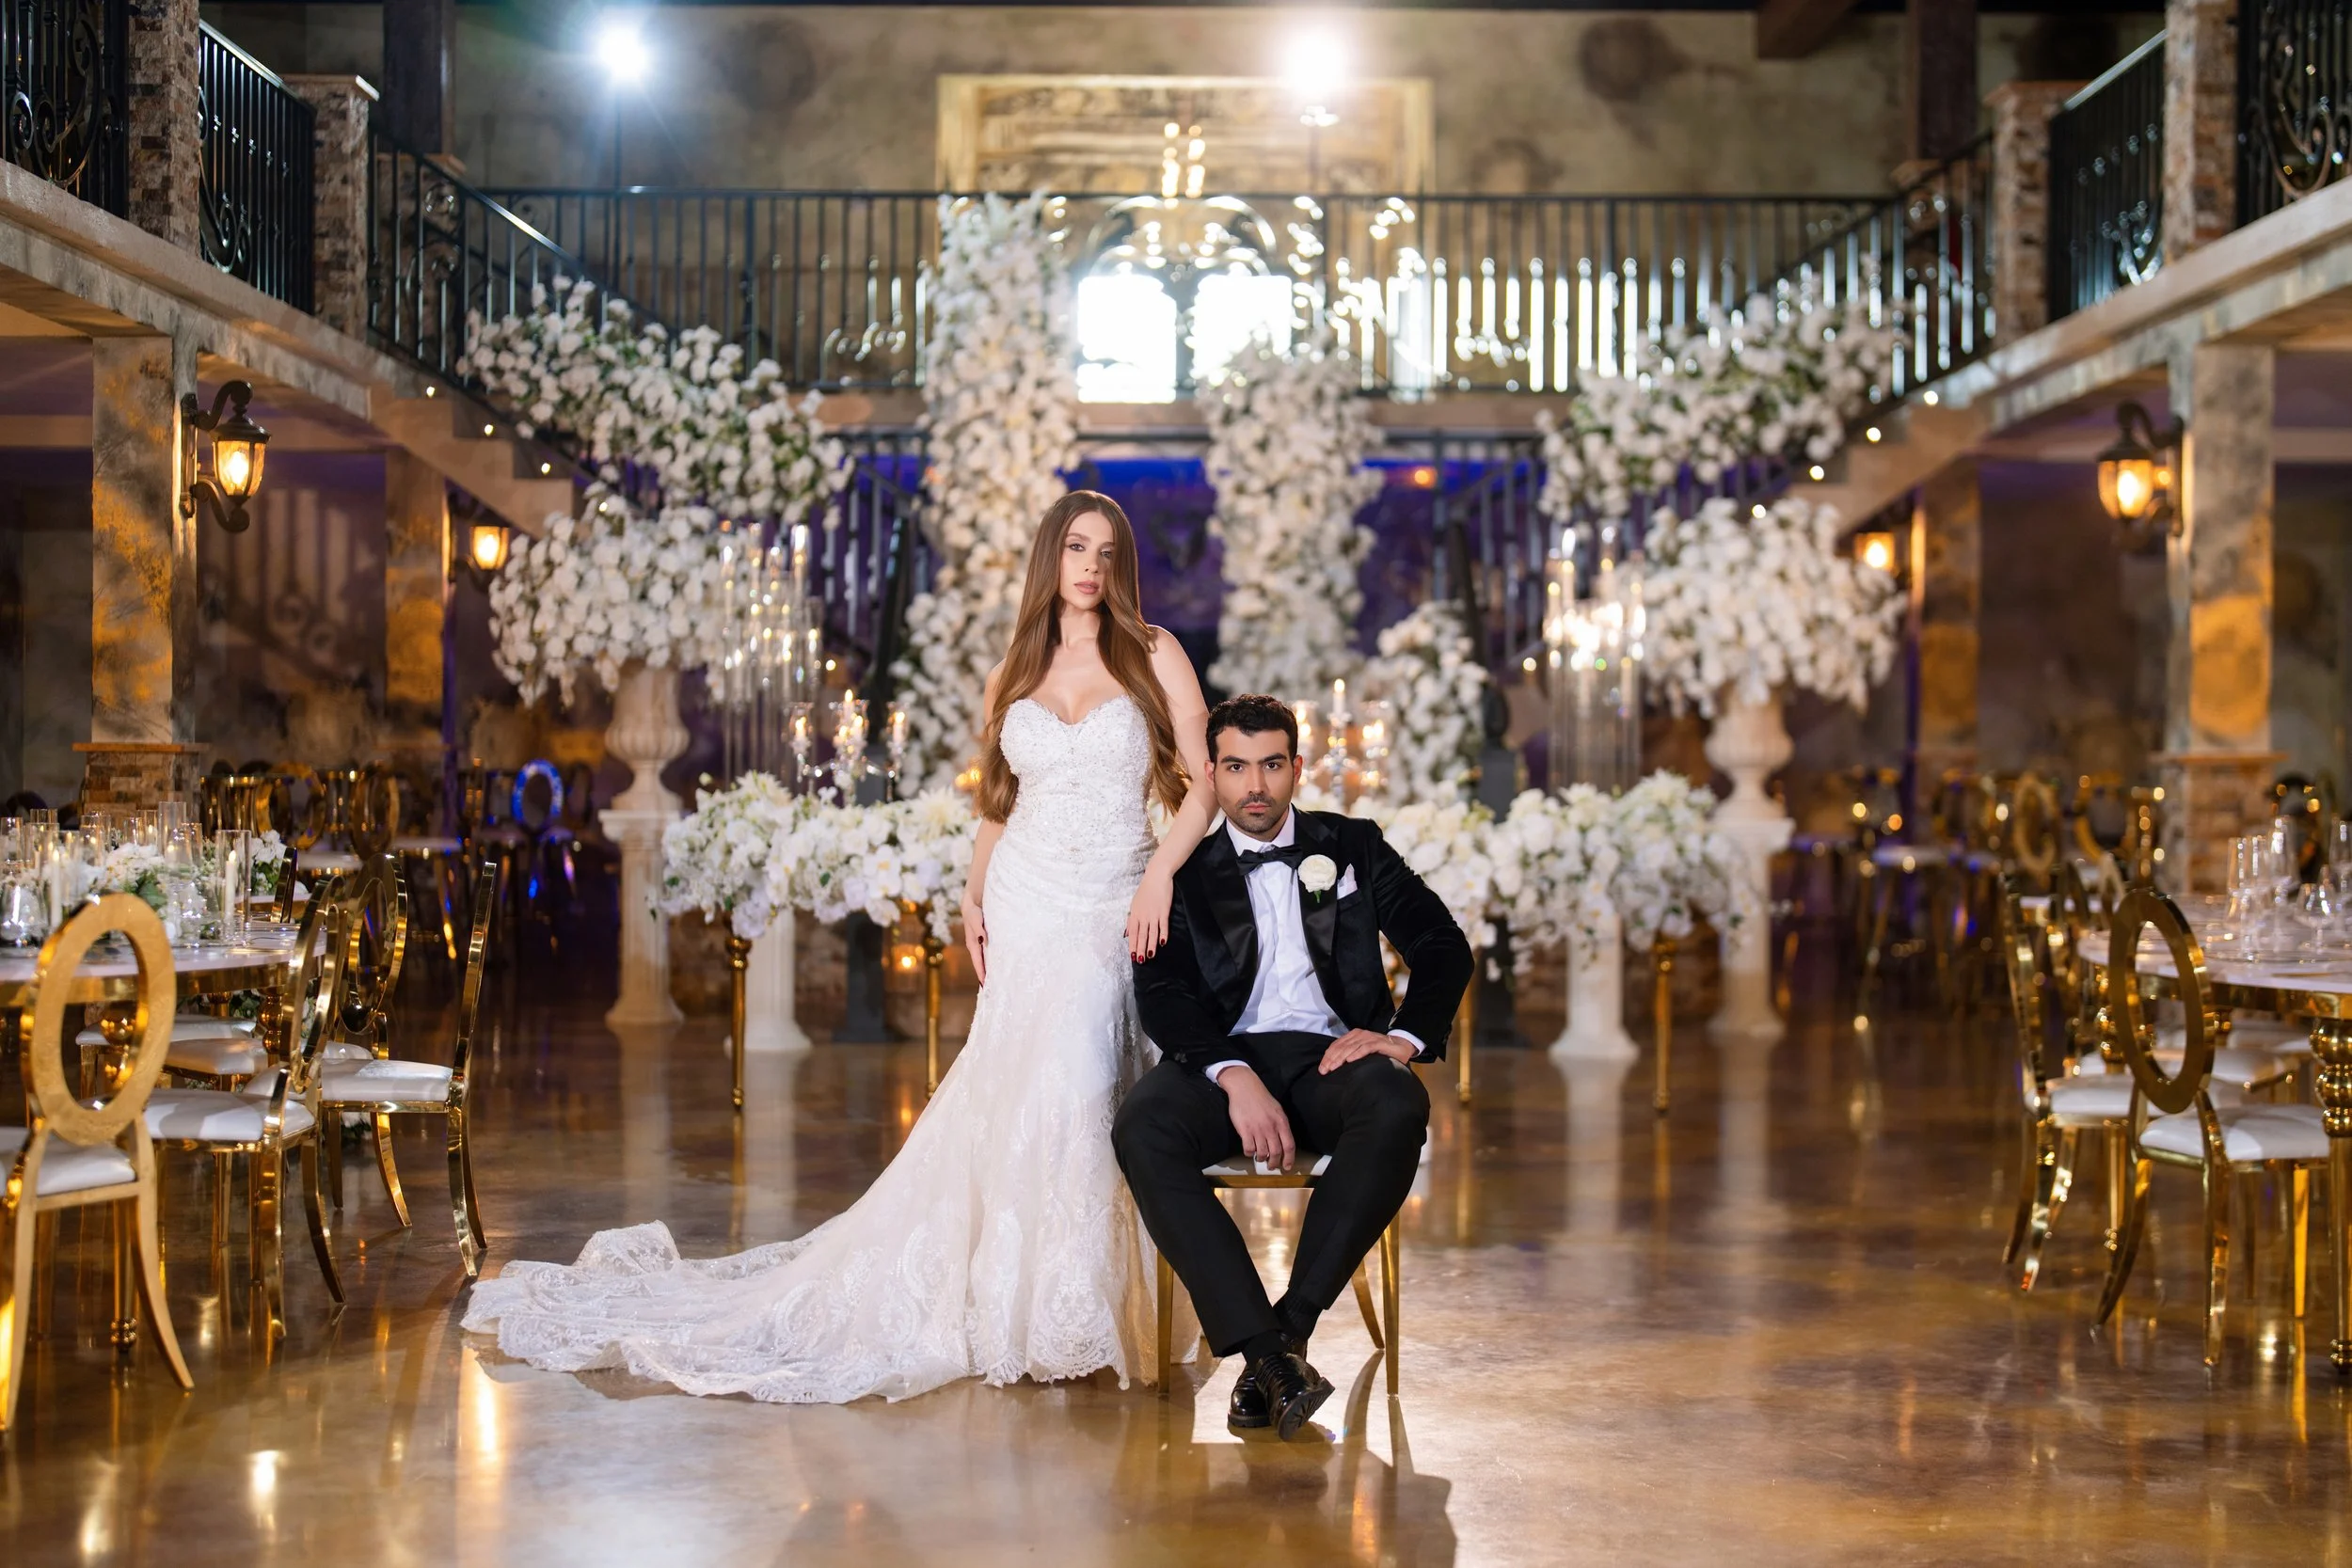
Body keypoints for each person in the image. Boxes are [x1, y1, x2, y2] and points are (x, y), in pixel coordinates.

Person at [464, 490, 1218, 1402]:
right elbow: (996, 801)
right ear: (1050, 559)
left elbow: (1203, 782)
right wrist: (975, 894)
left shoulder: (1154, 652)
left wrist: (1161, 874)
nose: (1090, 565)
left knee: (1090, 1080)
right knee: (1033, 1081)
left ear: (1120, 563)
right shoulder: (1012, 667)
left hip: (1111, 898)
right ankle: (1027, 1312)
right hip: (1025, 897)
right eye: (1074, 546)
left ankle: (1085, 1308)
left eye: (1105, 549)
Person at [1117, 695, 1470, 1440]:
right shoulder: (1183, 870)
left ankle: (1284, 1337)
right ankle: (1268, 1353)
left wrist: (1401, 1039)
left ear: (1297, 768)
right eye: (1237, 767)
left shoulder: (1353, 846)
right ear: (1210, 774)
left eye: (1272, 765)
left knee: (1399, 1105)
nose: (1256, 786)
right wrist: (1230, 1073)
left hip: (1332, 1057)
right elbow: (1162, 991)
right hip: (1225, 1057)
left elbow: (1443, 946)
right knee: (1143, 1126)